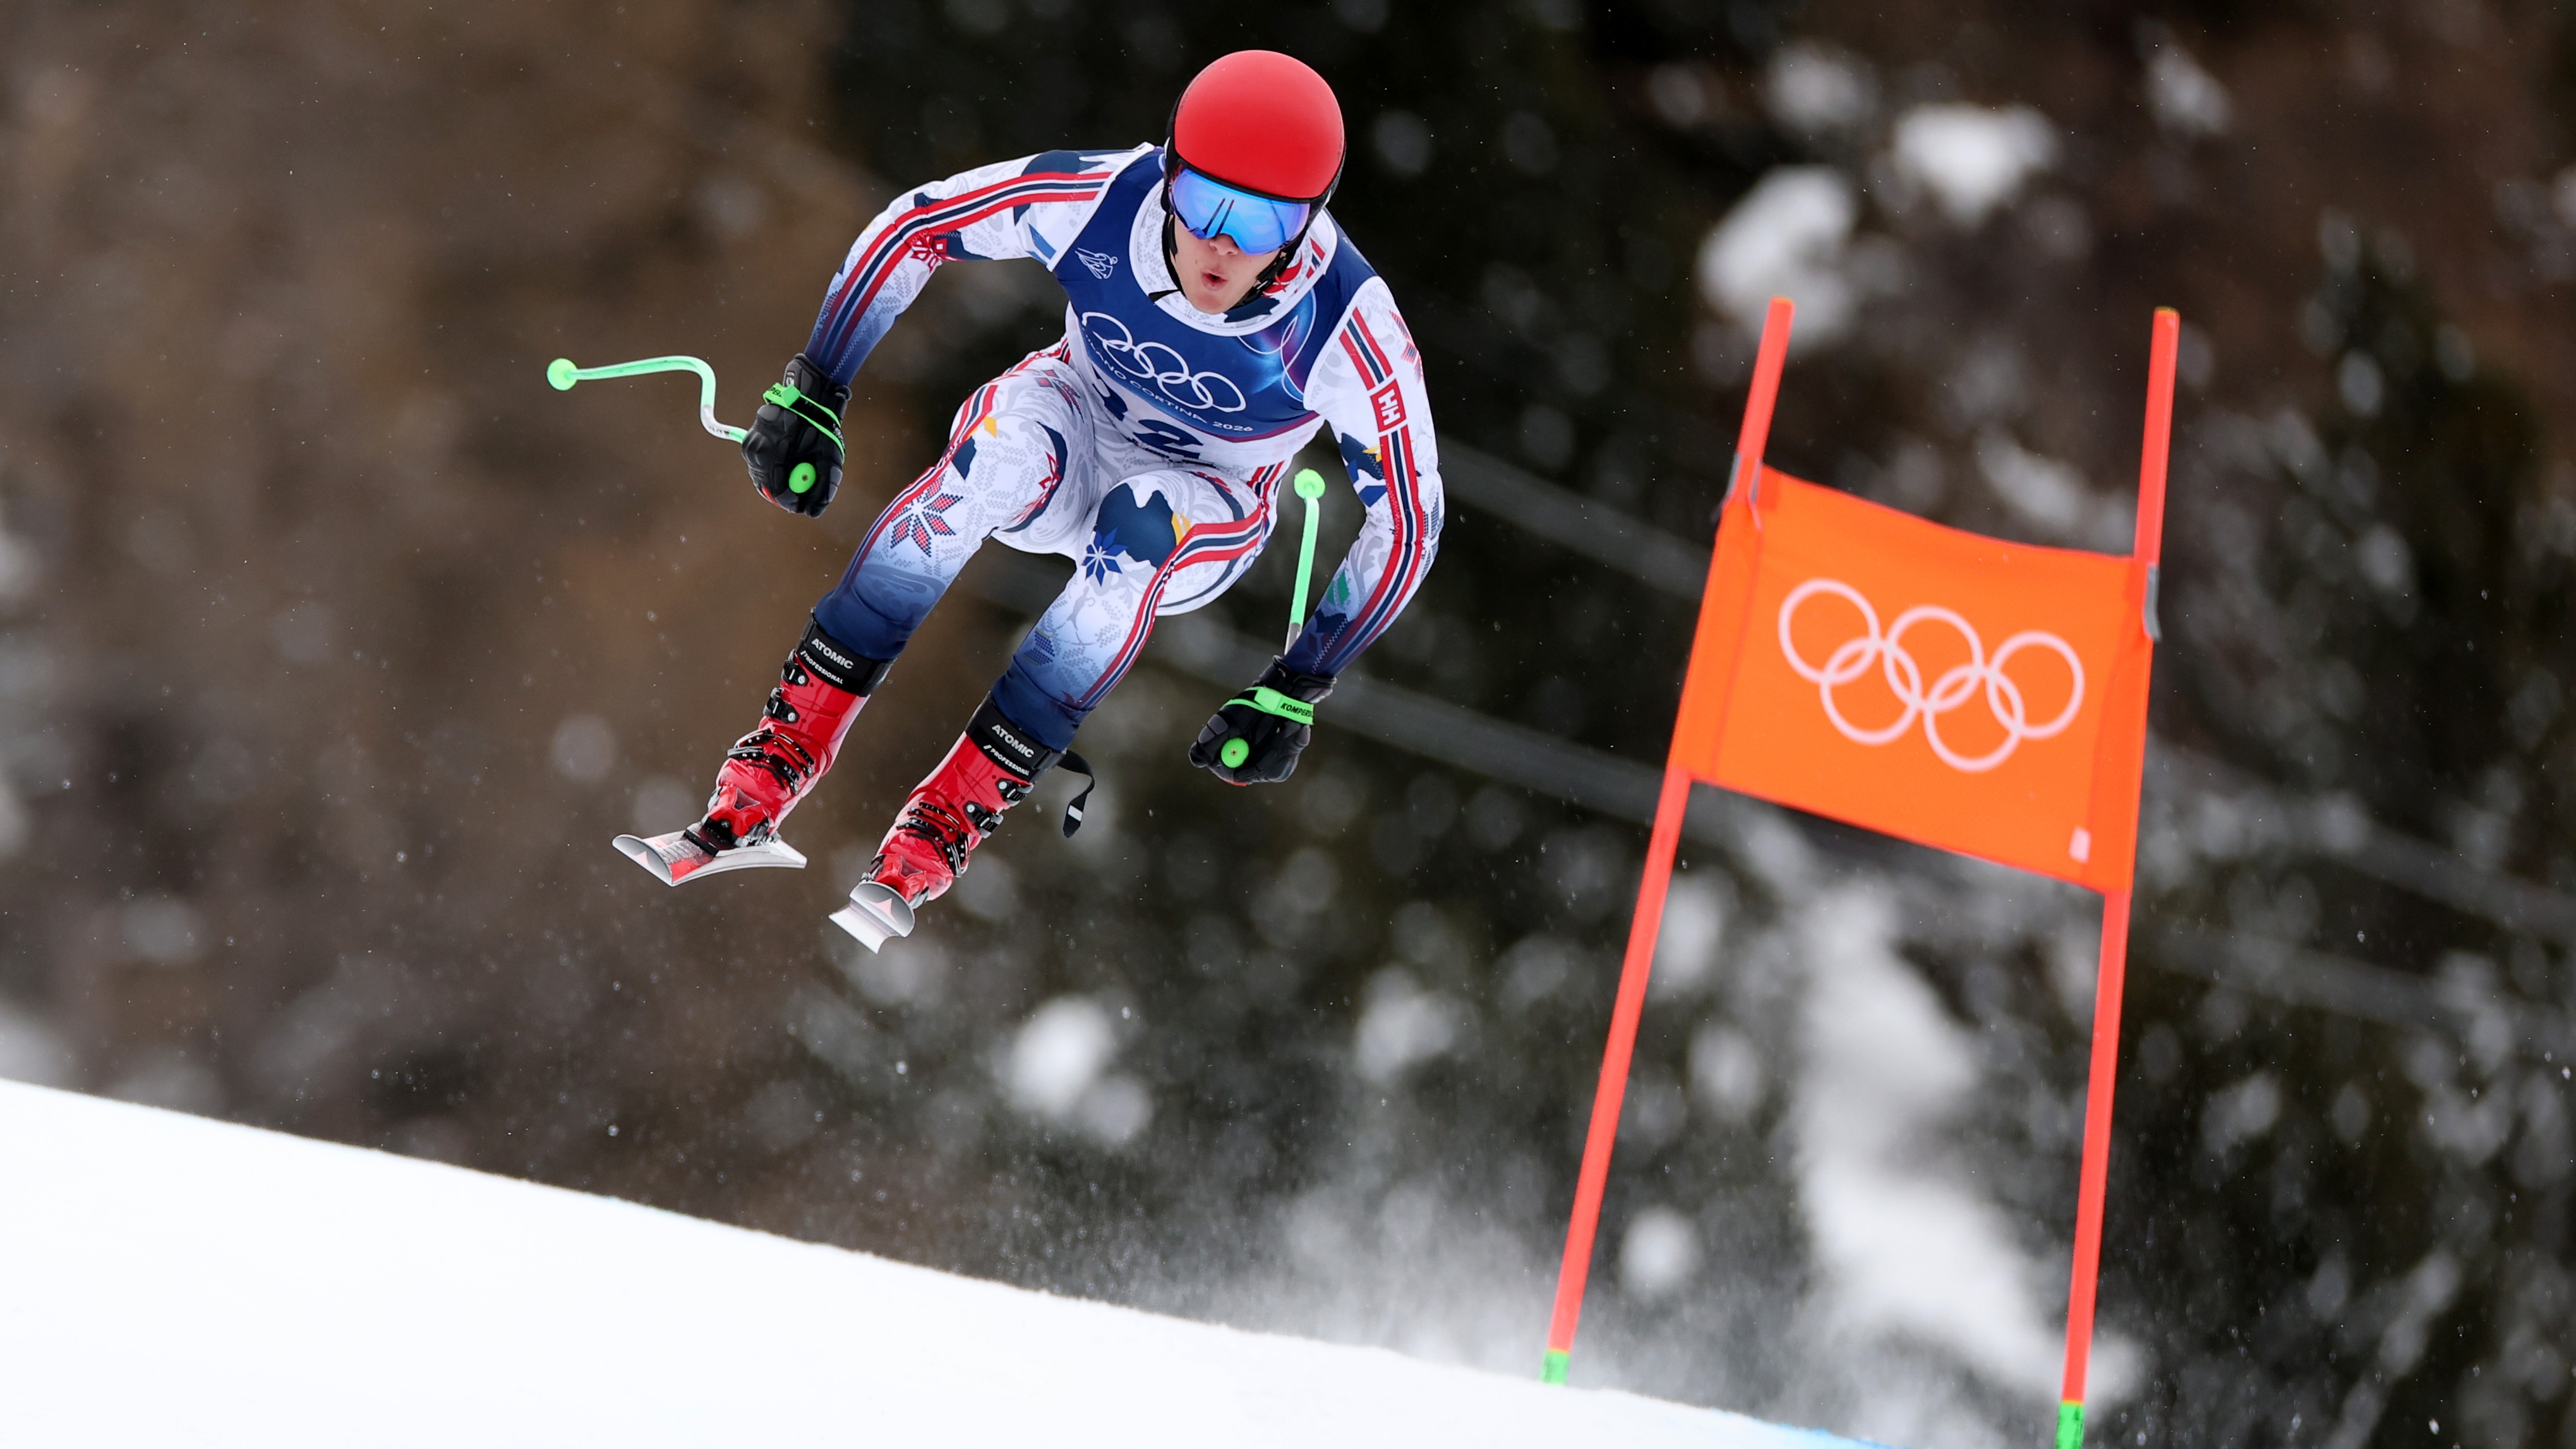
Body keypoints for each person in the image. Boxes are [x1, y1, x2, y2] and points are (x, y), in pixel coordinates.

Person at [617, 49, 1445, 951]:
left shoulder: (1344, 324)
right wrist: (817, 385)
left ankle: (943, 824)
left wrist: (1300, 679)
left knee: (1139, 529)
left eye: (1261, 222)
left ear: (1307, 224)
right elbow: (916, 225)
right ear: (1169, 171)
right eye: (1205, 203)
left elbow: (1410, 513)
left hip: (1208, 498)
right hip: (1072, 422)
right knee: (995, 458)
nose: (1221, 245)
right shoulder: (1105, 199)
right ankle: (770, 769)